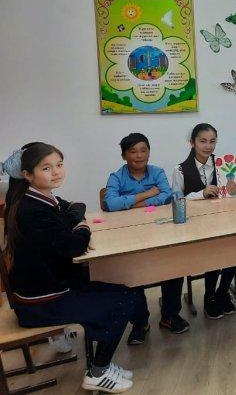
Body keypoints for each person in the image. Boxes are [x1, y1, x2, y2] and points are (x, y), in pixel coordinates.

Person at [3, 144, 136, 393]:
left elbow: (76, 207)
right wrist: (82, 226)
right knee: (123, 300)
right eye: (46, 168)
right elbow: (74, 244)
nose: (56, 172)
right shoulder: (31, 210)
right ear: (27, 174)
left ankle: (101, 364)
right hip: (42, 302)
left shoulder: (43, 198)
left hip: (53, 287)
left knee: (126, 292)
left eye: (59, 164)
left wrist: (75, 221)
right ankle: (98, 372)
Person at [103, 133, 189, 341]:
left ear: (149, 152)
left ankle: (169, 315)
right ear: (124, 155)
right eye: (133, 151)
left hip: (160, 230)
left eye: (143, 150)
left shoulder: (157, 172)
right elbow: (110, 204)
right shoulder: (116, 177)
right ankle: (140, 322)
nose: (139, 156)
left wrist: (131, 203)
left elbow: (166, 195)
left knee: (174, 265)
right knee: (132, 274)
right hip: (128, 234)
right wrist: (148, 194)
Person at [172, 123, 236, 320]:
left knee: (234, 249)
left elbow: (235, 192)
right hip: (196, 226)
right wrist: (200, 194)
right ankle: (209, 296)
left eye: (212, 141)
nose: (208, 146)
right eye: (202, 141)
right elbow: (176, 200)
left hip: (224, 220)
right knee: (214, 253)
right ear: (192, 143)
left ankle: (222, 292)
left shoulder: (224, 165)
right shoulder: (180, 170)